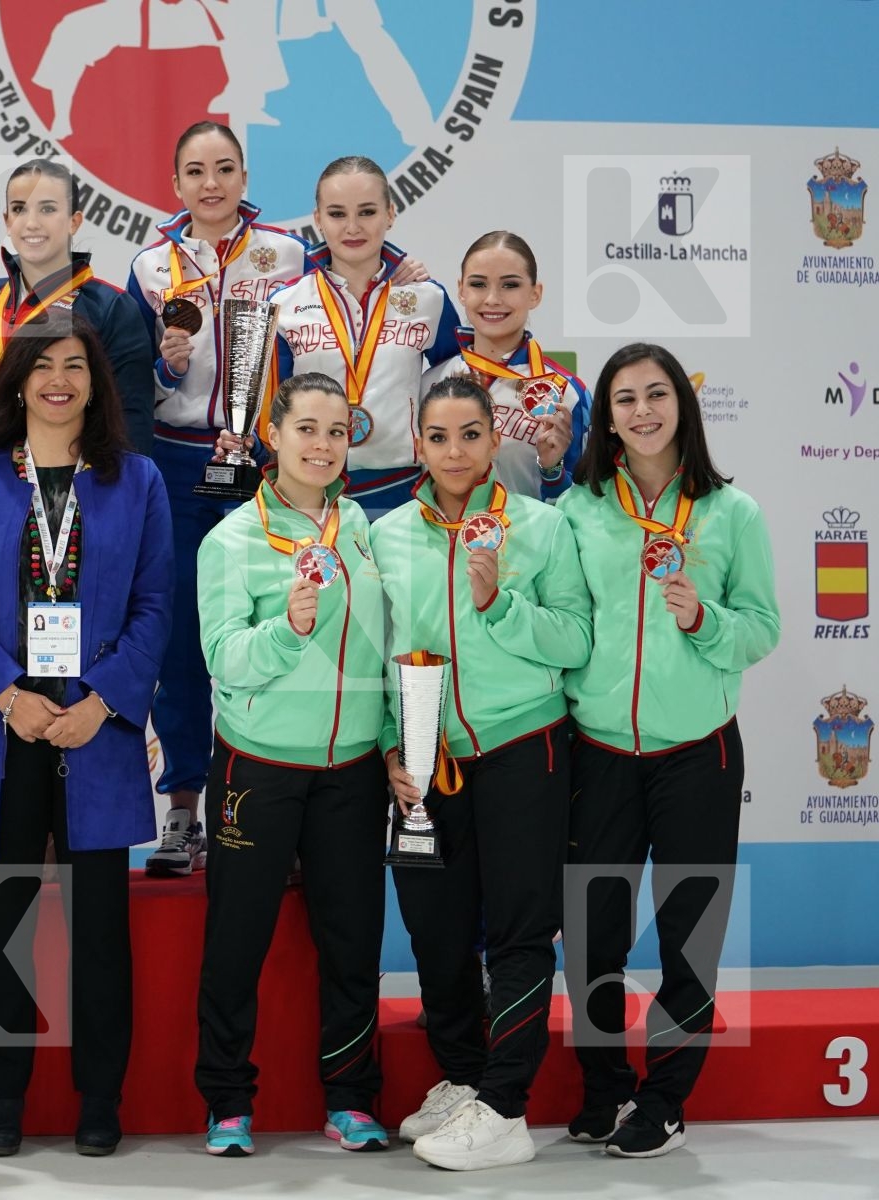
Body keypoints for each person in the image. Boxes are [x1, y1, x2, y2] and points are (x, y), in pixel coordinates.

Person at [0, 313, 171, 1158]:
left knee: (100, 929)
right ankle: (4, 1098)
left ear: (97, 383)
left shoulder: (136, 480)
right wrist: (4, 693)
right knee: (2, 924)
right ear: (18, 380)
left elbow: (153, 607)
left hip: (93, 728)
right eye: (43, 366)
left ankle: (98, 1098)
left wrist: (104, 702)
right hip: (8, 728)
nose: (59, 380)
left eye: (76, 366)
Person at [558, 343, 779, 1159]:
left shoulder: (732, 512)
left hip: (698, 753)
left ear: (683, 406)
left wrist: (701, 620)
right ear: (605, 418)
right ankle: (604, 1087)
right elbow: (570, 624)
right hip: (600, 750)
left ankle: (666, 1100)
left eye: (657, 395)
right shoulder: (579, 508)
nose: (643, 411)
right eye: (624, 399)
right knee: (592, 933)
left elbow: (762, 627)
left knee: (688, 934)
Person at [368, 376, 592, 1170]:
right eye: (439, 437)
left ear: (497, 442)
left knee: (521, 933)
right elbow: (378, 651)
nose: (455, 452)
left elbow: (575, 642)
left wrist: (501, 605)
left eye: (471, 435)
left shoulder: (540, 526)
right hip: (423, 763)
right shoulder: (385, 533)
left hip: (520, 749)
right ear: (417, 443)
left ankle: (505, 1106)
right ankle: (463, 1081)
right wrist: (392, 748)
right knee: (435, 934)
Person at [192, 372, 389, 1158]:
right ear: (274, 436)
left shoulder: (367, 529)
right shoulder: (232, 539)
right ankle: (228, 1101)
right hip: (259, 767)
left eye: (337, 431)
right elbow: (224, 658)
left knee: (353, 942)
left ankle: (350, 1097)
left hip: (353, 768)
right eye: (306, 428)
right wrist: (289, 628)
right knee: (237, 941)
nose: (322, 445)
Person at [125, 121, 308, 878]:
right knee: (180, 642)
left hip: (262, 467)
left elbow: (332, 319)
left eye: (225, 168)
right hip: (176, 465)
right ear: (175, 183)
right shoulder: (149, 265)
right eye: (195, 170)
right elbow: (132, 378)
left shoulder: (291, 254)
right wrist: (166, 374)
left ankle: (280, 811)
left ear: (244, 176)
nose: (211, 183)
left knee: (274, 626)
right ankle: (182, 811)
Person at [269, 155, 460, 519]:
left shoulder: (427, 298)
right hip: (311, 490)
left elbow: (454, 382)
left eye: (368, 212)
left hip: (402, 491)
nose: (352, 227)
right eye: (337, 214)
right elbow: (272, 404)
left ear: (390, 213)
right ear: (318, 219)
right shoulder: (286, 303)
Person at [0, 157, 154, 454]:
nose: (31, 222)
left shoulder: (111, 307)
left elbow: (131, 418)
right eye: (19, 209)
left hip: (73, 486)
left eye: (48, 209)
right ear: (6, 221)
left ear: (74, 221)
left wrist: (120, 493)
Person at [421, 231, 591, 500]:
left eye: (510, 285)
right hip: (443, 540)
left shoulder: (565, 392)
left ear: (535, 294)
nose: (492, 299)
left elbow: (586, 505)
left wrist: (552, 471)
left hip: (530, 541)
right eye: (478, 284)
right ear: (461, 291)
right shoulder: (429, 384)